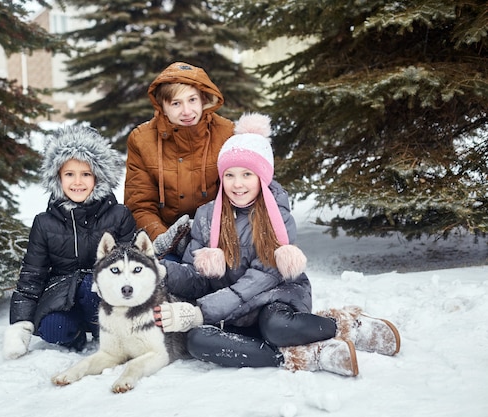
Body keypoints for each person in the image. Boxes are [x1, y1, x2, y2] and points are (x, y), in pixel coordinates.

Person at [153, 113, 400, 376]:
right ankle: (300, 355)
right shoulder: (206, 216)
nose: (237, 184)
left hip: (274, 300)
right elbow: (197, 276)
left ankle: (344, 325)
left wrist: (202, 311)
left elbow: (261, 279)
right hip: (230, 310)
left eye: (247, 174)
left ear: (262, 177)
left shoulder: (276, 217)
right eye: (230, 175)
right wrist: (161, 273)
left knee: (276, 327)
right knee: (196, 340)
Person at [3, 125, 137, 359]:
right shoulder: (45, 223)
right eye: (69, 174)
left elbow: (133, 266)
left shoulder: (119, 215)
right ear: (57, 177)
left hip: (106, 299)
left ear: (99, 177)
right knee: (52, 327)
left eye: (86, 174)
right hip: (63, 297)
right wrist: (20, 325)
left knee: (88, 284)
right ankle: (74, 335)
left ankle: (104, 331)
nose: (78, 182)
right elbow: (32, 275)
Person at [124, 62, 235, 258]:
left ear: (203, 100)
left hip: (218, 236)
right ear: (162, 107)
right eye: (176, 103)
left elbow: (239, 193)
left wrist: (216, 236)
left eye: (192, 100)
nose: (186, 111)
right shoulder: (141, 140)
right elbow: (140, 204)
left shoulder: (226, 133)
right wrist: (166, 239)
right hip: (164, 239)